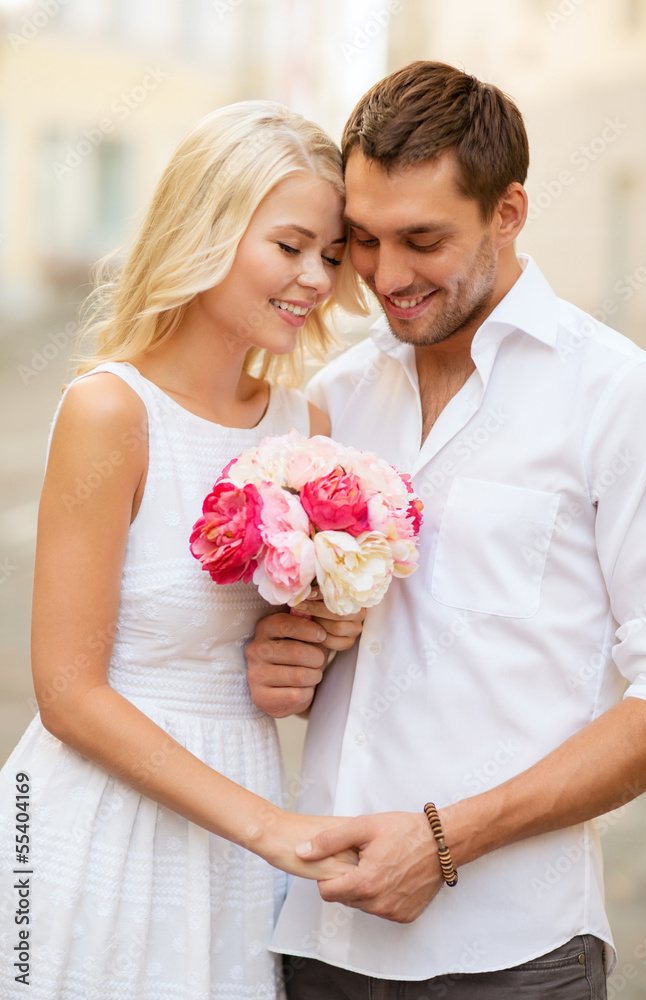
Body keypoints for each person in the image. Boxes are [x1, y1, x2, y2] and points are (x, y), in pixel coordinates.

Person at [246, 62, 646, 999]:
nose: (386, 276)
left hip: (512, 952)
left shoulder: (619, 397)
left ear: (508, 212)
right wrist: (284, 653)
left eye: (422, 238)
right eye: (361, 239)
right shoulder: (331, 400)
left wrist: (442, 841)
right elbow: (319, 637)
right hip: (314, 935)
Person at [0, 101, 368, 1000]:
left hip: (237, 835)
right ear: (208, 228)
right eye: (289, 246)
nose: (315, 278)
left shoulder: (305, 425)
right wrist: (267, 828)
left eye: (329, 254)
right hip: (101, 824)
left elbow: (286, 644)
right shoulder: (109, 411)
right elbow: (67, 693)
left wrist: (318, 643)